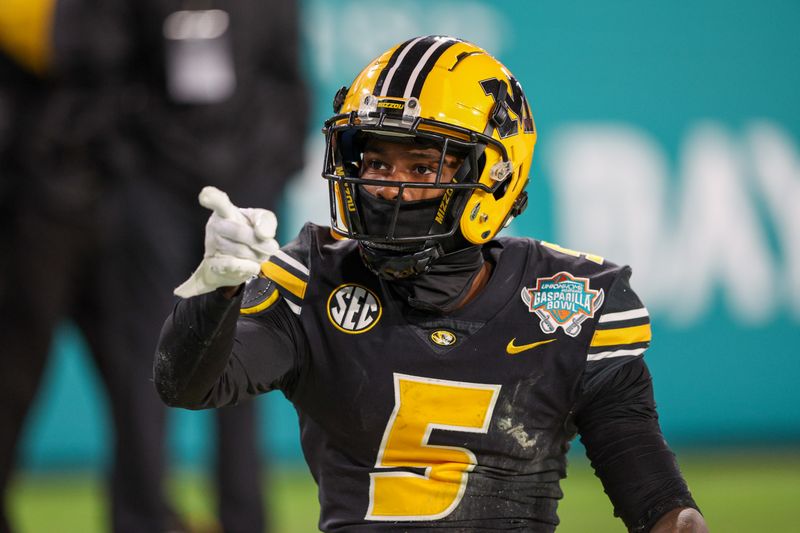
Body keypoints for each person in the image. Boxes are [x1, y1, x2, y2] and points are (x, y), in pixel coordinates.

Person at [155, 35, 708, 532]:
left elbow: (653, 496)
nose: (390, 189)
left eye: (423, 169)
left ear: (494, 178)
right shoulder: (314, 277)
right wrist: (218, 292)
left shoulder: (573, 301)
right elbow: (187, 385)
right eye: (376, 162)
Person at [0, 1, 307, 531]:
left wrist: (267, 171)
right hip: (122, 193)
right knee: (134, 364)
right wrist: (136, 169)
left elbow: (286, 79)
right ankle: (143, 519)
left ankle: (239, 519)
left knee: (247, 350)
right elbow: (96, 60)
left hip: (234, 190)